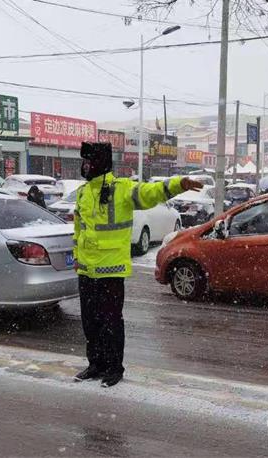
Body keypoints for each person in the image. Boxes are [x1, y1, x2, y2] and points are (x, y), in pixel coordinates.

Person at [72, 142, 202, 387]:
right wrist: (77, 257)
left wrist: (177, 184)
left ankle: (113, 369)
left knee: (111, 322)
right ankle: (95, 365)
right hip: (87, 271)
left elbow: (150, 193)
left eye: (89, 161)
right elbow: (79, 230)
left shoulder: (121, 189)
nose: (85, 166)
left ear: (99, 162)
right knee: (90, 322)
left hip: (110, 271)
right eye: (84, 161)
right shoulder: (83, 193)